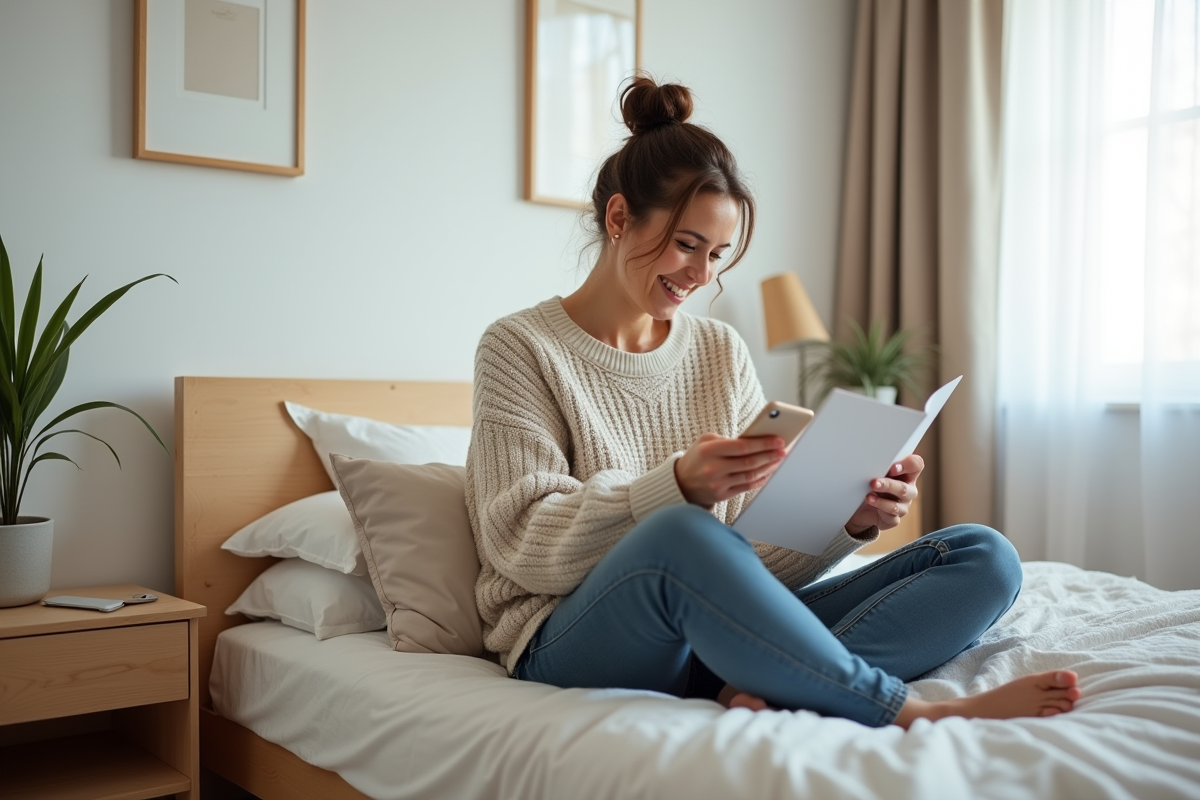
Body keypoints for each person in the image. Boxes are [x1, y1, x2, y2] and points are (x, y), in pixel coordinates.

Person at [465, 76, 1080, 728]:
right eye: (687, 245)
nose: (702, 275)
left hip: (712, 637)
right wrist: (674, 488)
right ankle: (902, 711)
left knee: (982, 556)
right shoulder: (519, 346)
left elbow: (752, 562)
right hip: (576, 640)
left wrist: (848, 519)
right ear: (619, 218)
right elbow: (520, 542)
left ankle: (770, 686)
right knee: (683, 532)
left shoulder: (719, 351)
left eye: (717, 254)